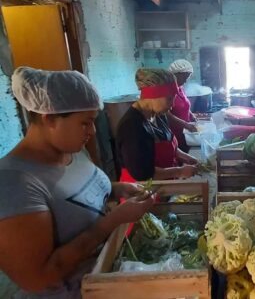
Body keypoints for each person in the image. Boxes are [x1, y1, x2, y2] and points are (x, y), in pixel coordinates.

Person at [0, 67, 154, 298]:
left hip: (104, 281)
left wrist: (117, 189)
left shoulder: (73, 151)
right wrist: (113, 221)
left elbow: (79, 196)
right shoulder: (14, 182)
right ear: (49, 118)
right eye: (85, 123)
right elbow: (38, 278)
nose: (92, 131)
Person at [116, 68, 198, 182]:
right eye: (169, 98)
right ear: (152, 95)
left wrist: (188, 158)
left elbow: (170, 145)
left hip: (164, 187)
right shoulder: (131, 126)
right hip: (141, 193)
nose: (173, 104)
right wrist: (179, 171)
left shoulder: (159, 114)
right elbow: (142, 174)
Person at [167, 59, 198, 153]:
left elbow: (184, 105)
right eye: (184, 77)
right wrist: (185, 124)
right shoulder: (167, 91)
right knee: (177, 155)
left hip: (184, 132)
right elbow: (166, 114)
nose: (185, 81)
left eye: (187, 77)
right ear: (175, 75)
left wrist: (191, 114)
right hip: (174, 133)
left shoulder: (180, 88)